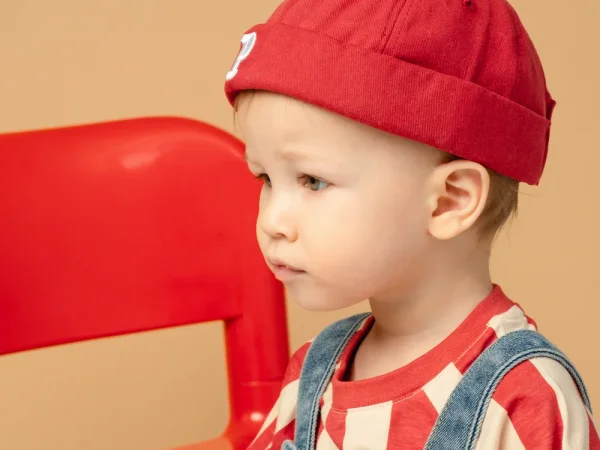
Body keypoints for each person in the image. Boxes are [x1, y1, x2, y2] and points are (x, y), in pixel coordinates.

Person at [223, 0, 599, 448]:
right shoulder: (314, 376)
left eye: (313, 181)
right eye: (265, 179)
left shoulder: (522, 398)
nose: (272, 221)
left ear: (449, 201)